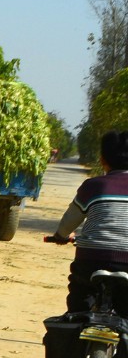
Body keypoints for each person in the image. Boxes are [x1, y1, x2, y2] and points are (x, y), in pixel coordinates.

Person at [48, 130, 128, 312]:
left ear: (102, 160)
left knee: (79, 307)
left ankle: (78, 328)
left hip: (91, 260)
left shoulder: (93, 186)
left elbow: (68, 222)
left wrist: (61, 236)